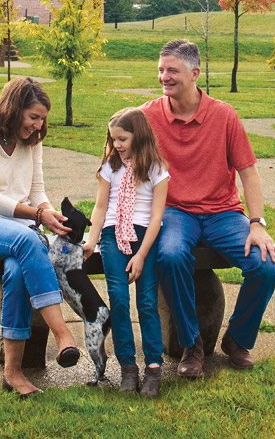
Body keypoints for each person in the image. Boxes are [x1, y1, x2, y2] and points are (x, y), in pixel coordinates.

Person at [141, 39, 275, 379]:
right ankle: (192, 344)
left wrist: (257, 223)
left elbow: (248, 172)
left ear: (194, 73)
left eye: (172, 70)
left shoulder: (223, 115)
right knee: (171, 256)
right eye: (161, 70)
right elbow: (121, 162)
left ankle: (237, 338)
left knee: (267, 264)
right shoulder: (147, 116)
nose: (164, 77)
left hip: (222, 213)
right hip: (175, 212)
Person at [0, 77, 79, 397]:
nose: (38, 126)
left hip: (19, 231)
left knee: (16, 270)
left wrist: (51, 216)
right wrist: (37, 216)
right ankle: (62, 332)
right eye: (33, 117)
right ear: (13, 108)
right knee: (27, 242)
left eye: (42, 119)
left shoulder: (31, 140)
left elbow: (36, 191)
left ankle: (13, 374)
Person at [82, 108, 169, 397]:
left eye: (122, 138)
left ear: (138, 135)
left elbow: (156, 217)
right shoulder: (111, 166)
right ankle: (128, 368)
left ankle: (153, 368)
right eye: (113, 139)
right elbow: (100, 205)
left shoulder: (156, 168)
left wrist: (142, 254)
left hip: (145, 236)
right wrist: (92, 241)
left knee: (146, 302)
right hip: (111, 234)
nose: (117, 144)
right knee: (118, 300)